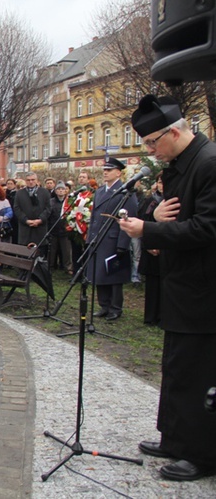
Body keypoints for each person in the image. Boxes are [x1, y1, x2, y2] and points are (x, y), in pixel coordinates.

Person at [119, 94, 216, 481]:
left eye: (151, 143)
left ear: (174, 132)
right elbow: (172, 219)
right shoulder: (179, 165)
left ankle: (203, 453)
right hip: (181, 286)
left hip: (205, 291)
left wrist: (152, 230)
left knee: (198, 372)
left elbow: (207, 228)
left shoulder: (209, 164)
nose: (149, 151)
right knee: (175, 367)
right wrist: (155, 222)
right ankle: (176, 437)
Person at [86, 157, 137, 322]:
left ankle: (115, 308)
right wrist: (90, 237)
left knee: (114, 276)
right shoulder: (100, 191)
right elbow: (94, 216)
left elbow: (128, 219)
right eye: (104, 170)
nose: (105, 173)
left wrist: (123, 243)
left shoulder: (125, 192)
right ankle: (104, 305)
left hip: (113, 239)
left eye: (109, 170)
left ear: (118, 172)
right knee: (99, 273)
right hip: (98, 238)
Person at [137, 172, 163, 326]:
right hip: (150, 248)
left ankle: (163, 316)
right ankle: (151, 316)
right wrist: (148, 244)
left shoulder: (174, 201)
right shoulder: (150, 201)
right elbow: (142, 222)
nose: (162, 185)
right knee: (152, 285)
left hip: (167, 248)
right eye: (159, 182)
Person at [12, 172, 51, 246]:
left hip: (40, 229)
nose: (31, 182)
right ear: (25, 181)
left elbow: (48, 208)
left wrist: (40, 220)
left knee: (40, 254)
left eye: (33, 179)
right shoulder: (19, 193)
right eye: (28, 180)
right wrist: (26, 220)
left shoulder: (44, 192)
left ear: (37, 180)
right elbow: (16, 208)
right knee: (24, 254)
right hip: (25, 229)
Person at [48, 182, 72, 273]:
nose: (61, 191)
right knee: (52, 250)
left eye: (62, 189)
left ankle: (68, 267)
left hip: (65, 230)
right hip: (53, 229)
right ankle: (50, 266)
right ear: (55, 191)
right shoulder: (51, 202)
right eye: (58, 189)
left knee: (66, 251)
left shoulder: (69, 201)